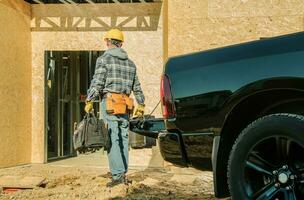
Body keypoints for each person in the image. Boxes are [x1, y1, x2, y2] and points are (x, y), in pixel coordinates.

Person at [84, 29, 145, 187]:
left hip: (110, 103)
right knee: (124, 138)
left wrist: (90, 99)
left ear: (108, 42)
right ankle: (122, 172)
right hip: (125, 105)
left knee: (112, 138)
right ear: (121, 43)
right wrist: (141, 103)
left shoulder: (104, 59)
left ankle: (117, 176)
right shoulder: (130, 63)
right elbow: (136, 86)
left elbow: (98, 81)